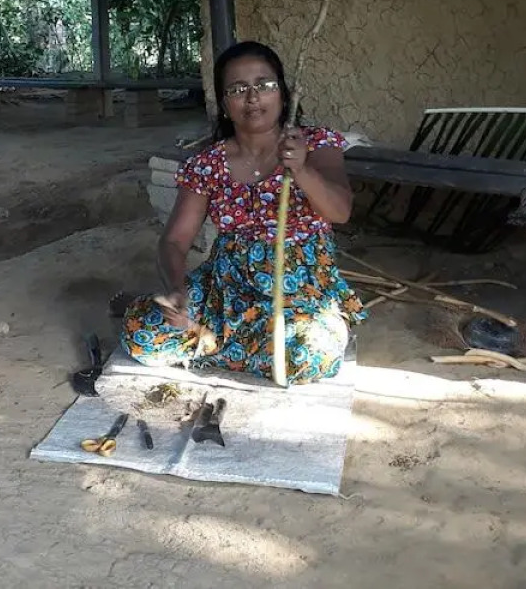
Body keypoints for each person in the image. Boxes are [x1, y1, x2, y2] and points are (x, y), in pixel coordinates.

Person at [121, 40, 365, 385]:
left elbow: (340, 211)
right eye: (238, 89)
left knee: (308, 353)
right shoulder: (208, 163)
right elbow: (175, 241)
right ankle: (235, 342)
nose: (253, 98)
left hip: (298, 292)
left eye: (264, 85)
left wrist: (302, 169)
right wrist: (176, 289)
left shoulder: (315, 143)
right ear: (223, 104)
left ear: (282, 93)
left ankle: (213, 343)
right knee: (140, 332)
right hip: (226, 287)